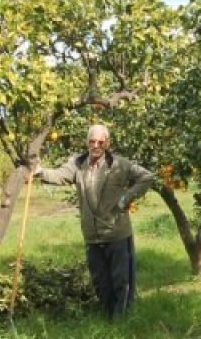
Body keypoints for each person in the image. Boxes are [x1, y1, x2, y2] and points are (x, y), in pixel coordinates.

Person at [33, 123, 156, 319]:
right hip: (92, 235)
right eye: (92, 141)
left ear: (107, 143)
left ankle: (122, 318)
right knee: (100, 281)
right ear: (87, 142)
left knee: (120, 279)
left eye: (101, 142)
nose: (96, 145)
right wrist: (39, 171)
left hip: (116, 232)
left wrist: (126, 198)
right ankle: (107, 316)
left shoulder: (119, 165)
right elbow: (59, 175)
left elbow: (146, 177)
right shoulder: (77, 164)